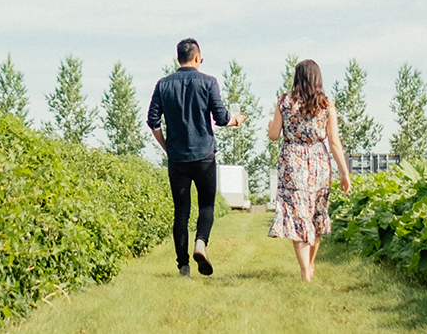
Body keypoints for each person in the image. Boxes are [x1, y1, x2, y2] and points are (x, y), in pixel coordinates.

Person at [147, 38, 246, 278]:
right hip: (204, 156)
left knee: (181, 211)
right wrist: (236, 120)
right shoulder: (208, 82)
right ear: (198, 58)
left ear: (178, 59)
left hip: (177, 158)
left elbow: (153, 121)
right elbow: (221, 118)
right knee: (206, 205)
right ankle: (201, 243)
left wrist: (166, 146)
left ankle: (183, 267)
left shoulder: (163, 85)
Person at [266, 59, 352, 282]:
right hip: (319, 162)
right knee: (316, 215)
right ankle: (310, 266)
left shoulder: (284, 101)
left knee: (298, 216)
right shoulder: (326, 104)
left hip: (292, 162)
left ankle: (306, 269)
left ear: (297, 77)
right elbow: (334, 141)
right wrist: (344, 172)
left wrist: (270, 127)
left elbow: (274, 135)